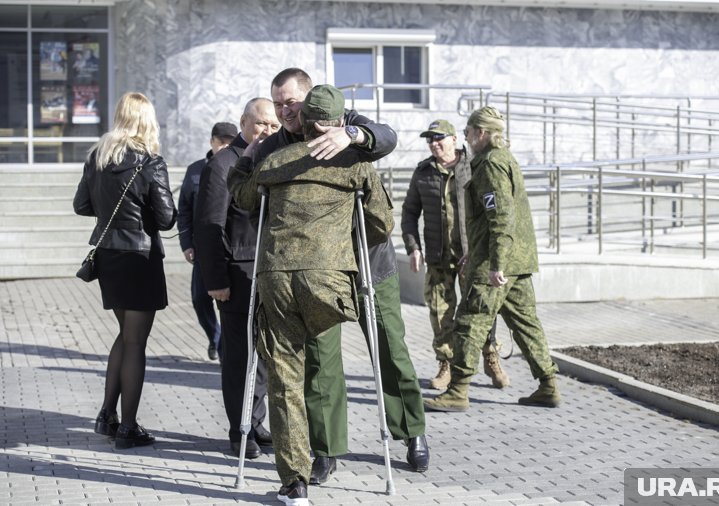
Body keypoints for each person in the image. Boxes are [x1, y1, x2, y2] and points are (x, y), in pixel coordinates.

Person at [228, 67, 428, 485]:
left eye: (291, 102)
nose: (285, 110)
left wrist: (352, 136)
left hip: (368, 263)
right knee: (321, 359)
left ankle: (411, 431)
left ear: (310, 96)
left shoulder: (343, 122)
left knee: (390, 347)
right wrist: (244, 150)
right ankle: (325, 448)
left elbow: (387, 136)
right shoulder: (277, 145)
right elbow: (249, 189)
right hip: (317, 269)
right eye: (277, 103)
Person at [424, 106, 561, 413]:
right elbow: (493, 220)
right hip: (517, 260)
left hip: (497, 263)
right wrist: (476, 250)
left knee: (469, 323)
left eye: (470, 131)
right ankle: (548, 385)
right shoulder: (503, 159)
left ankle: (457, 390)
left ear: (482, 133)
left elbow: (500, 217)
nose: (466, 137)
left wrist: (495, 263)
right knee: (526, 325)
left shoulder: (490, 164)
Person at [73, 92, 177, 449]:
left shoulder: (98, 157)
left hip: (109, 256)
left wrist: (113, 214)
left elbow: (81, 205)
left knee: (124, 335)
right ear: (147, 120)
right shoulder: (149, 162)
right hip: (140, 258)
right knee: (136, 341)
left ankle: (107, 414)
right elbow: (166, 218)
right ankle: (128, 427)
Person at [193, 98, 280, 459]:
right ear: (244, 122)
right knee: (239, 357)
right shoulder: (224, 163)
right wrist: (215, 279)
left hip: (270, 272)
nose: (268, 131)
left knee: (262, 358)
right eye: (262, 124)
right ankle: (237, 431)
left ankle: (255, 422)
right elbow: (209, 226)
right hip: (237, 274)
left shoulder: (275, 158)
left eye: (274, 126)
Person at [401, 119, 509, 390]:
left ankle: (490, 355)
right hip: (438, 258)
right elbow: (409, 213)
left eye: (439, 138)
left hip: (471, 258)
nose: (434, 144)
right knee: (440, 315)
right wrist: (413, 248)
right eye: (429, 140)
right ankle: (446, 364)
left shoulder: (474, 166)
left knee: (479, 311)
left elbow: (490, 212)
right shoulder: (424, 172)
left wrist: (481, 251)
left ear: (453, 139)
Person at [177, 122, 237, 361]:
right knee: (200, 299)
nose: (224, 146)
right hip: (203, 248)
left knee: (228, 301)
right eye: (220, 141)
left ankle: (224, 347)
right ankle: (215, 337)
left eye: (229, 142)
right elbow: (184, 210)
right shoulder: (195, 170)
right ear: (211, 141)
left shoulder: (239, 165)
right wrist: (186, 244)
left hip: (231, 249)